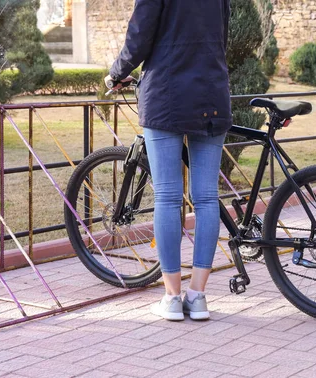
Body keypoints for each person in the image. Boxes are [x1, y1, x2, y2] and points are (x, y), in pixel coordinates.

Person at [105, 0, 232, 321]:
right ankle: (199, 296)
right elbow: (223, 34)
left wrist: (117, 73)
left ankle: (172, 298)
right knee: (206, 198)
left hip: (166, 94)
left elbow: (139, 35)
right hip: (211, 92)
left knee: (167, 196)